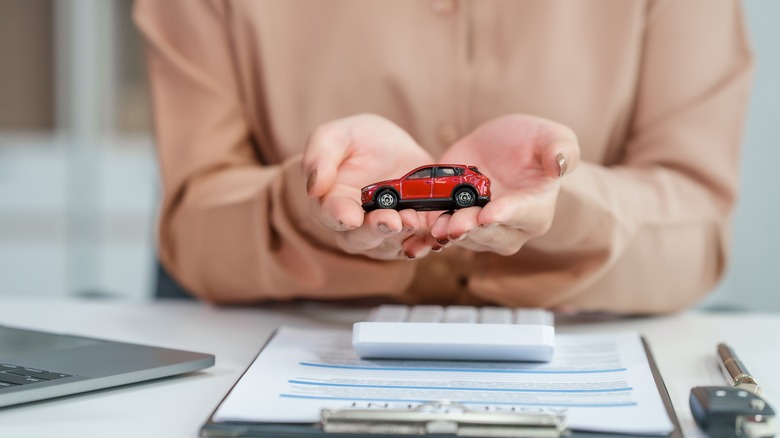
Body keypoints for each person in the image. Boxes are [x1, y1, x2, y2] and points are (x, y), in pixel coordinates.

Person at [133, 0, 753, 313]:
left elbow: (698, 232)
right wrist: (316, 202)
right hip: (296, 361)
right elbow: (194, 226)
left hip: (587, 367)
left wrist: (559, 206)